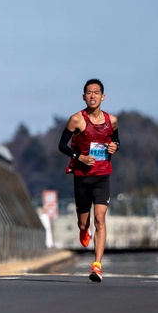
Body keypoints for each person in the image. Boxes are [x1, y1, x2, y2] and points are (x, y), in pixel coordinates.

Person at [57, 78, 120, 282]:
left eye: (96, 92)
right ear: (84, 96)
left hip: (102, 176)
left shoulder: (112, 120)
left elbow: (116, 140)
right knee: (84, 223)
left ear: (103, 96)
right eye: (89, 92)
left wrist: (114, 146)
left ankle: (97, 265)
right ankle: (83, 231)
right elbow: (62, 145)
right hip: (82, 177)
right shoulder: (77, 119)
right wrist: (79, 157)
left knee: (100, 218)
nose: (92, 96)